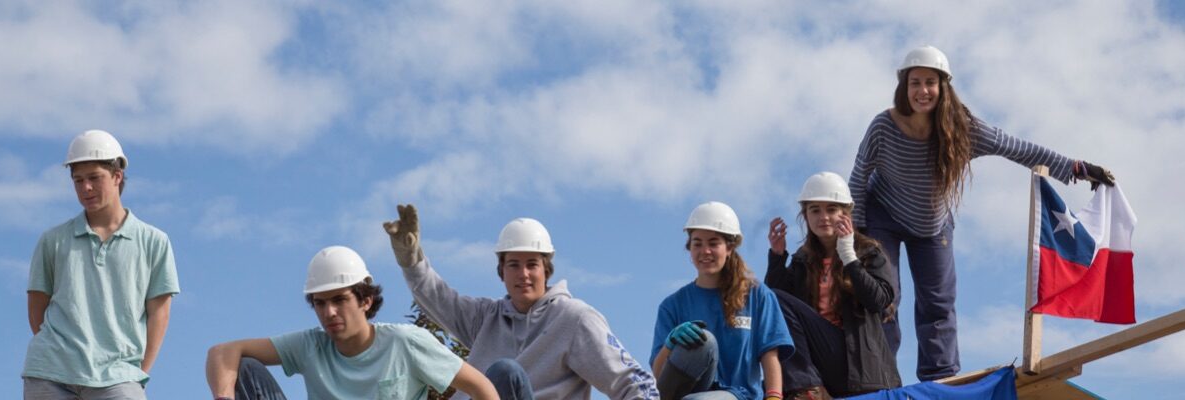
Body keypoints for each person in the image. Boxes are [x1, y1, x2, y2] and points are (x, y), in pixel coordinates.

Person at [850, 45, 1118, 380]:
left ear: (943, 87)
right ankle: (880, 377)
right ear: (904, 87)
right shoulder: (883, 126)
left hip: (932, 225)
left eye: (929, 82)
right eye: (914, 83)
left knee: (938, 304)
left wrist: (1074, 167)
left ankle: (941, 380)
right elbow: (859, 175)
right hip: (882, 215)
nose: (922, 91)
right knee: (886, 296)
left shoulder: (963, 130)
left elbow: (1017, 147)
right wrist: (857, 233)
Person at [383, 204, 660, 400]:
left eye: (532, 265)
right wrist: (411, 259)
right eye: (514, 265)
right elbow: (438, 299)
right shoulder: (486, 318)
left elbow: (630, 381)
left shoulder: (574, 319)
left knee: (505, 374)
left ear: (546, 269)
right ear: (501, 271)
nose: (523, 274)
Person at [204, 245, 499, 400]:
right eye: (320, 303)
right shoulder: (310, 345)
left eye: (339, 300)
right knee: (245, 368)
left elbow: (482, 388)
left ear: (365, 300)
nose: (329, 312)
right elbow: (221, 353)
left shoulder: (405, 342)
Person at [23, 129, 180, 399]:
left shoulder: (154, 241)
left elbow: (160, 315)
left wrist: (138, 373)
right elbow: (37, 312)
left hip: (120, 376)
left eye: (95, 178)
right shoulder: (53, 241)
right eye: (78, 180)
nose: (86, 188)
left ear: (117, 176)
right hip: (50, 373)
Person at [766, 172, 900, 399]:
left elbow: (879, 301)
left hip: (857, 364)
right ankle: (808, 386)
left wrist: (848, 256)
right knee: (772, 300)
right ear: (806, 216)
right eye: (815, 210)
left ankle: (808, 387)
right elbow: (778, 307)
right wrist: (777, 256)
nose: (823, 217)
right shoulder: (803, 259)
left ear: (846, 213)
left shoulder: (869, 252)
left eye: (831, 209)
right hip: (820, 364)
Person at [651, 201, 794, 400]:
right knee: (703, 342)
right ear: (689, 248)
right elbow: (658, 379)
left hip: (739, 396)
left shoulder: (757, 295)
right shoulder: (672, 306)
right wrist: (670, 344)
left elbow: (770, 355)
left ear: (729, 247)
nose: (705, 251)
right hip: (682, 396)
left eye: (713, 243)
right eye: (697, 243)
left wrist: (774, 398)